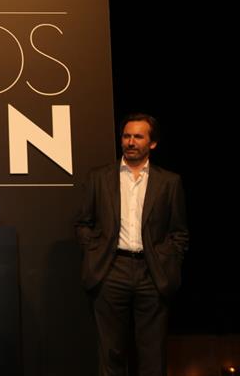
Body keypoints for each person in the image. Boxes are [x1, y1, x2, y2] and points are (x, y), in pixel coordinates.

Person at [75, 113, 188, 376]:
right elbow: (83, 223)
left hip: (153, 273)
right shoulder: (99, 177)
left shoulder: (169, 182)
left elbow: (179, 232)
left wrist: (169, 261)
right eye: (126, 136)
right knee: (111, 353)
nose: (131, 142)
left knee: (152, 355)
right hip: (111, 270)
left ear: (152, 143)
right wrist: (95, 252)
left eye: (138, 136)